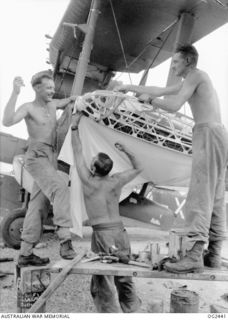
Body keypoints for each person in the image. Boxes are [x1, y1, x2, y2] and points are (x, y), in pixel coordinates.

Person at [116, 44, 228, 273]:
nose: (173, 65)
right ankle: (213, 254)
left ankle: (195, 255)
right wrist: (128, 86)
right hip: (214, 134)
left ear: (188, 60)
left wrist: (149, 101)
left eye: (175, 62)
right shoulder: (192, 78)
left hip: (208, 133)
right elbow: (160, 90)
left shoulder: (196, 75)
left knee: (200, 192)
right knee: (214, 194)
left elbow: (172, 104)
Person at [3, 71, 77, 266]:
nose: (52, 91)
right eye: (48, 88)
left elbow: (70, 100)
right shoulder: (29, 108)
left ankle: (26, 253)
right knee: (60, 189)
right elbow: (7, 121)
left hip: (51, 158)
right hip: (37, 157)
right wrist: (15, 92)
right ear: (37, 88)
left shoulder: (52, 105)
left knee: (37, 206)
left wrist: (80, 100)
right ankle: (65, 240)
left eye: (53, 88)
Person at [71, 112, 142, 312]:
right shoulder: (116, 181)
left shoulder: (89, 181)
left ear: (93, 169)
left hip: (103, 234)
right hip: (121, 233)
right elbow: (139, 167)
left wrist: (75, 126)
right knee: (124, 275)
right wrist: (126, 150)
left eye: (92, 160)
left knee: (102, 281)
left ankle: (109, 314)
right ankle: (131, 311)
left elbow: (77, 151)